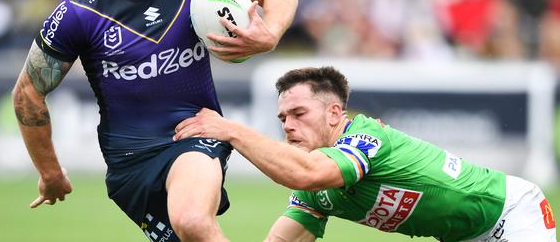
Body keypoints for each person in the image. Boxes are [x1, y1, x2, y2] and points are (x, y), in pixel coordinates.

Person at [11, 0, 297, 242]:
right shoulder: (78, 11)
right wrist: (50, 172)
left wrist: (269, 34)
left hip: (195, 134)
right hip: (130, 168)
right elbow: (26, 94)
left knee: (192, 221)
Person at [174, 66, 557, 242]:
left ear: (335, 113)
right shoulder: (313, 184)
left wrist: (231, 130)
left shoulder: (366, 137)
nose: (288, 125)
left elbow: (306, 173)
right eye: (282, 117)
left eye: (299, 113)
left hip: (509, 213)